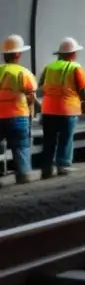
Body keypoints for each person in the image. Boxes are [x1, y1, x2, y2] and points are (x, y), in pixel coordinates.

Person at [38, 37, 85, 178]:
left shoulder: (49, 67)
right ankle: (63, 165)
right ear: (73, 54)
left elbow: (40, 86)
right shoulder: (75, 68)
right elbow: (83, 89)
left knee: (49, 139)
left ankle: (47, 168)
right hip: (67, 109)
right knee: (66, 138)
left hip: (48, 109)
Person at [0, 35, 36, 185]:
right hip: (18, 115)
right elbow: (30, 94)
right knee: (21, 145)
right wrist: (31, 112)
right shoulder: (23, 72)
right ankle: (23, 177)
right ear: (17, 54)